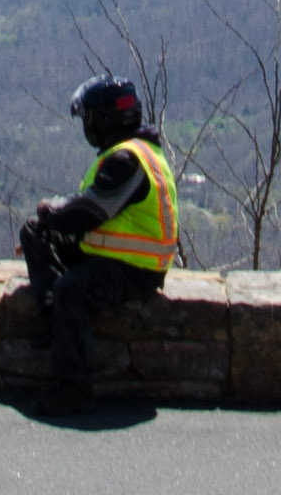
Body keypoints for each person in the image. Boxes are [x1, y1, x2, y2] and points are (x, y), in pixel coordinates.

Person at [17, 75, 180, 404]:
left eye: (89, 116)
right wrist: (49, 220)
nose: (86, 125)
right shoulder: (136, 151)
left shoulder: (126, 161)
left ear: (105, 119)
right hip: (119, 255)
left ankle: (72, 388)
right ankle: (56, 320)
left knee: (70, 290)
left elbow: (91, 212)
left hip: (135, 268)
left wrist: (52, 213)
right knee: (34, 232)